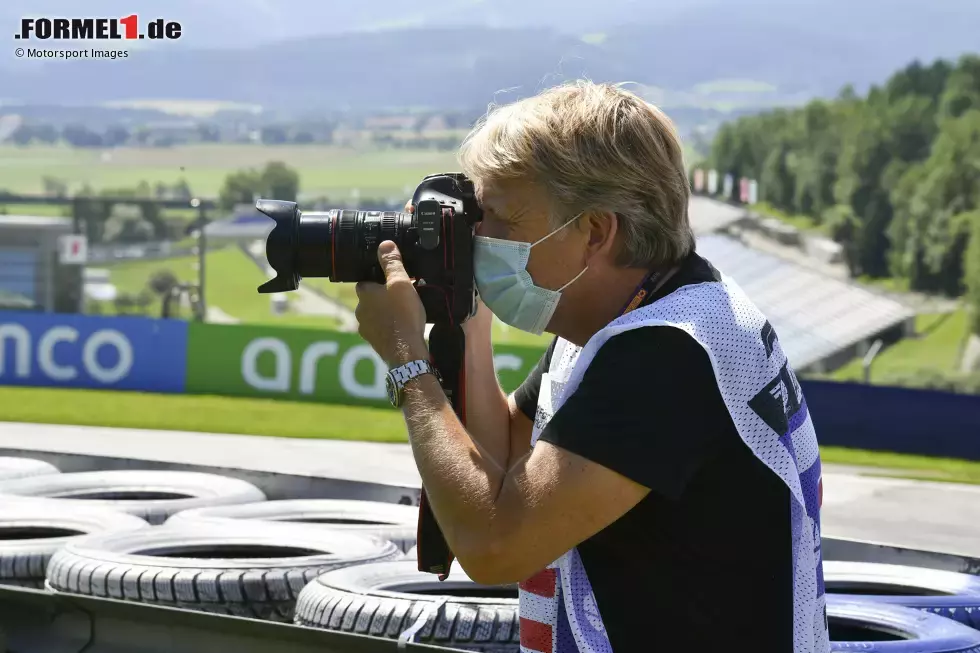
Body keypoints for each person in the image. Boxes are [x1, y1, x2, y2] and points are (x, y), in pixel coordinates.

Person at [354, 80, 829, 653]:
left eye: (502, 218)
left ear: (596, 231)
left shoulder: (670, 355)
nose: (480, 237)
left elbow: (494, 545)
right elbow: (506, 458)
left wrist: (409, 361)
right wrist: (465, 317)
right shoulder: (638, 310)